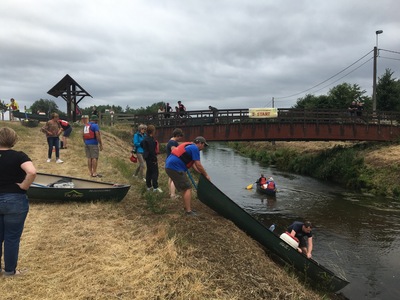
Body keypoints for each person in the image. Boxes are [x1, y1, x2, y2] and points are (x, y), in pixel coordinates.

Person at [0, 127, 37, 276]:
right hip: (14, 199)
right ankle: (10, 271)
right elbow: (32, 172)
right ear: (13, 140)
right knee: (12, 237)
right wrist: (24, 186)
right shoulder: (19, 156)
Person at [165, 136, 211, 216]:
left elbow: (193, 164)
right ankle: (188, 212)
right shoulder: (195, 148)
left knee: (184, 188)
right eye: (204, 145)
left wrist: (200, 173)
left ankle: (186, 207)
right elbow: (198, 164)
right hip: (175, 167)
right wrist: (206, 175)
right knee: (187, 188)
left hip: (170, 166)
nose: (203, 148)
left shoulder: (190, 147)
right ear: (200, 143)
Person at [140, 125, 162, 192]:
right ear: (152, 131)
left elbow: (141, 144)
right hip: (152, 158)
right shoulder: (151, 140)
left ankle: (149, 186)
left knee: (149, 171)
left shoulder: (145, 139)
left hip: (146, 157)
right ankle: (155, 187)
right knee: (155, 172)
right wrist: (155, 159)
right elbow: (152, 151)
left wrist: (145, 150)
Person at [166, 128, 184, 199]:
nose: (180, 138)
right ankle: (173, 195)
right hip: (173, 163)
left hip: (169, 161)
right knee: (174, 178)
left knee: (170, 178)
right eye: (180, 136)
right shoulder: (173, 142)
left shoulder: (171, 141)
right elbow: (174, 152)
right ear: (177, 135)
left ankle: (170, 192)